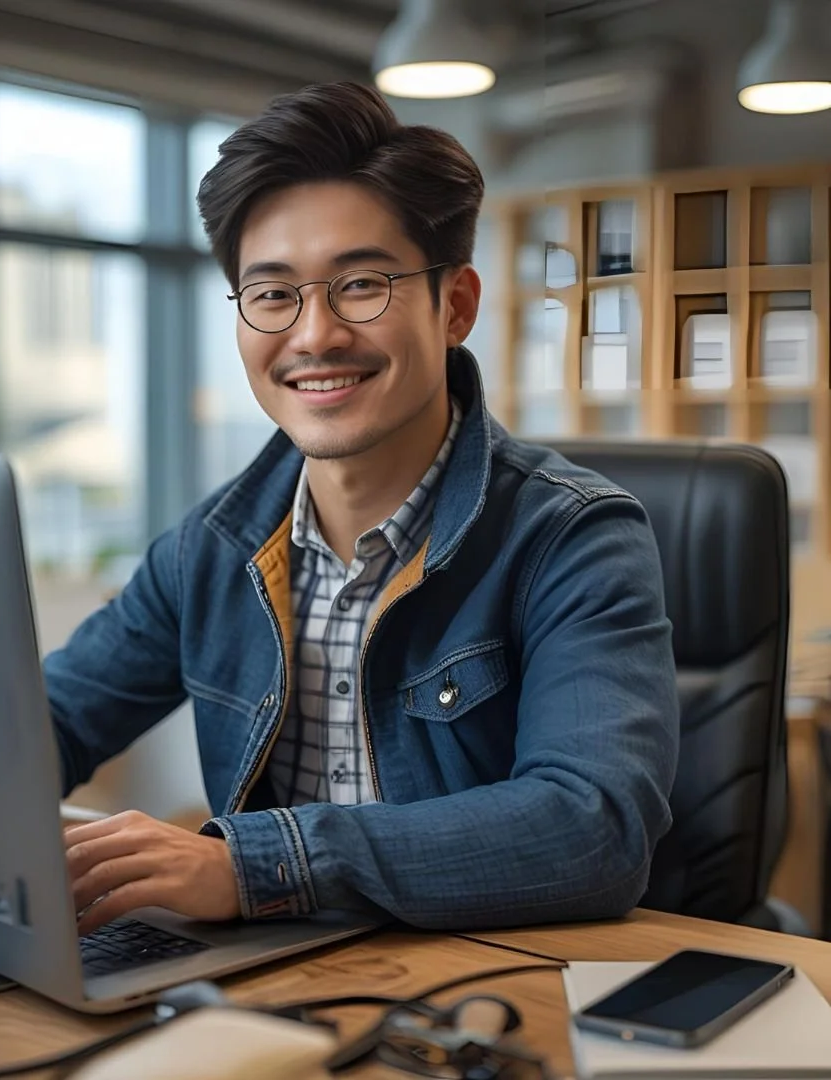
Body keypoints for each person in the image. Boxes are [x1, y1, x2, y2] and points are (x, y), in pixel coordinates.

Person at [48, 81, 679, 936]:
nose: (314, 336)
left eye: (361, 285)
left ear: (454, 305)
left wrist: (255, 864)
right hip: (274, 980)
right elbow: (52, 721)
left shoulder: (571, 537)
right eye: (273, 294)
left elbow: (593, 829)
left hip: (478, 988)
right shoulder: (212, 548)